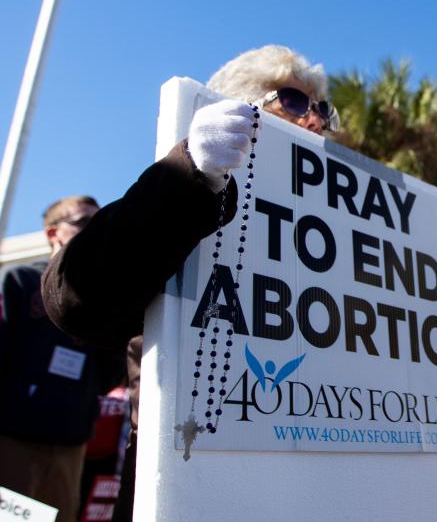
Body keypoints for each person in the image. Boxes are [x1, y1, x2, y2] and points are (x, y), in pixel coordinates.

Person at [41, 46, 341, 522]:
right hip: (190, 478)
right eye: (295, 102)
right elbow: (77, 300)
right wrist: (191, 175)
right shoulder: (181, 198)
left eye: (322, 109)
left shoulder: (327, 239)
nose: (315, 121)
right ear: (238, 109)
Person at [0, 196, 122, 521]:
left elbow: (110, 374)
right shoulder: (19, 281)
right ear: (54, 233)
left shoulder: (101, 299)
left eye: (99, 222)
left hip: (71, 445)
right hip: (13, 440)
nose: (93, 229)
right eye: (82, 222)